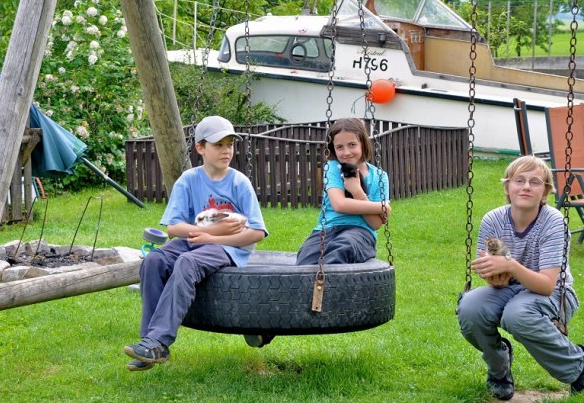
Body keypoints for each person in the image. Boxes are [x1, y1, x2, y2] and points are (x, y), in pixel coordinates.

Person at [124, 115, 267, 371]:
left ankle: (158, 340)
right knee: (153, 260)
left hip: (228, 248)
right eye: (218, 145)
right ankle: (150, 343)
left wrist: (214, 237)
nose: (226, 151)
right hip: (195, 240)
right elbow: (173, 227)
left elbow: (257, 232)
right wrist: (208, 230)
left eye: (230, 144)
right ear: (200, 147)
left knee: (187, 263)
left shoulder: (239, 183)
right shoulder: (189, 180)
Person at [457, 156, 584, 400]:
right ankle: (499, 370)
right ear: (507, 187)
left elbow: (546, 285)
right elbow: (494, 275)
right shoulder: (493, 220)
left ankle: (578, 365)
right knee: (470, 307)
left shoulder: (553, 221)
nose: (526, 187)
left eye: (535, 182)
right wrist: (495, 275)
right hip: (509, 289)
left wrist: (510, 265)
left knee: (517, 315)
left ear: (545, 191)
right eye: (519, 181)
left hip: (554, 293)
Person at [296, 117, 391, 266]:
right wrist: (381, 207)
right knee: (307, 256)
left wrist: (357, 191)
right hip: (327, 229)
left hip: (361, 233)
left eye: (352, 145)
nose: (346, 152)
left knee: (342, 248)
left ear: (363, 143)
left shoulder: (379, 176)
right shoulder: (333, 168)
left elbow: (375, 223)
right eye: (339, 147)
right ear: (333, 149)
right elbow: (339, 204)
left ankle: (333, 281)